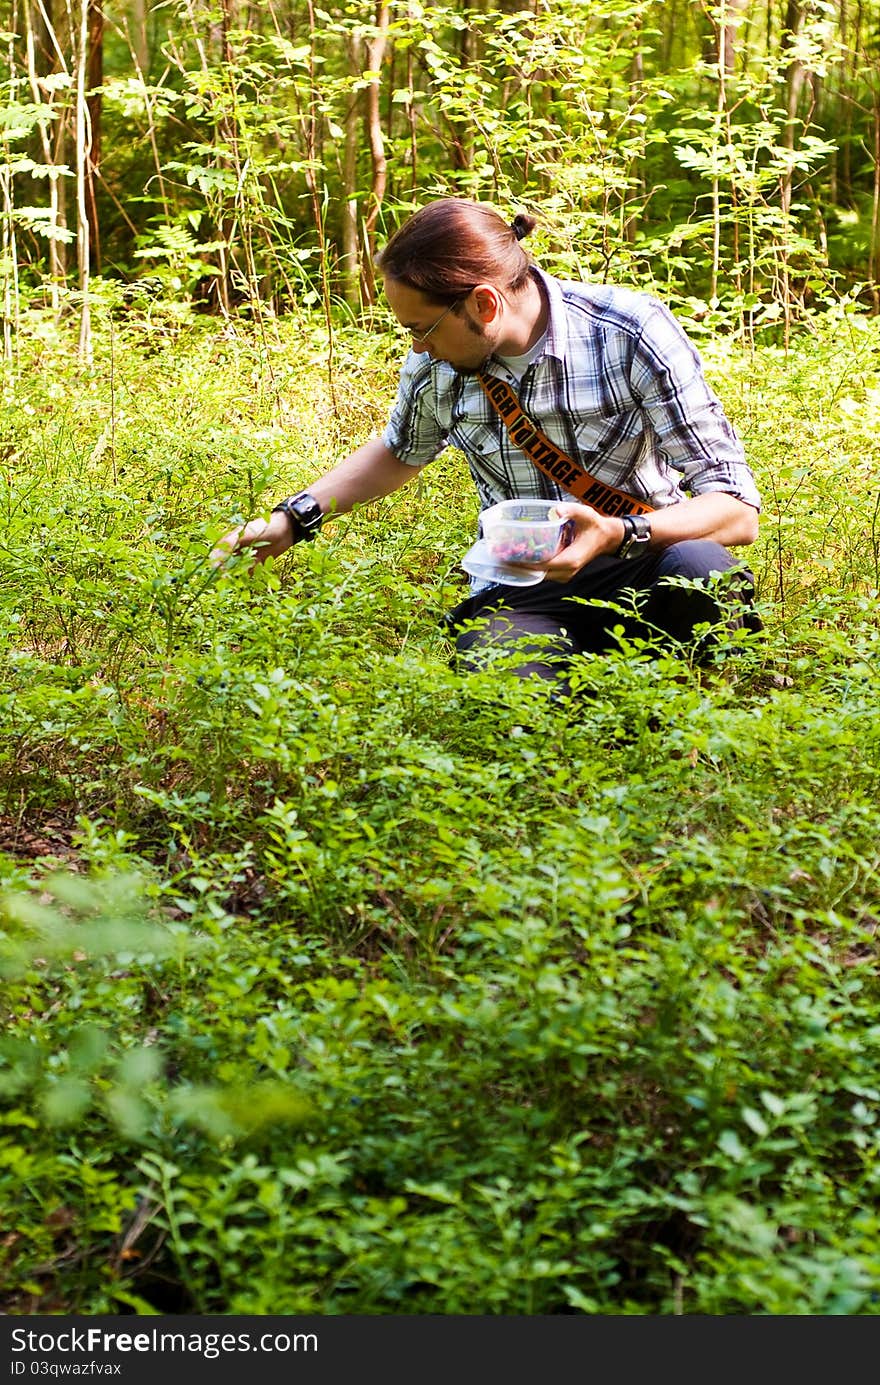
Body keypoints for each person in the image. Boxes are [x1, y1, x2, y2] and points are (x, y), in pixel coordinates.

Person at [212, 198, 761, 693]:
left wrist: (618, 533)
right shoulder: (435, 365)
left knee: (704, 569)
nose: (416, 345)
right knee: (511, 698)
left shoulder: (629, 331)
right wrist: (292, 519)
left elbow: (736, 511)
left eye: (422, 328)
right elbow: (399, 451)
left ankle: (685, 722)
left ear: (484, 304)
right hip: (520, 587)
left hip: (642, 559)